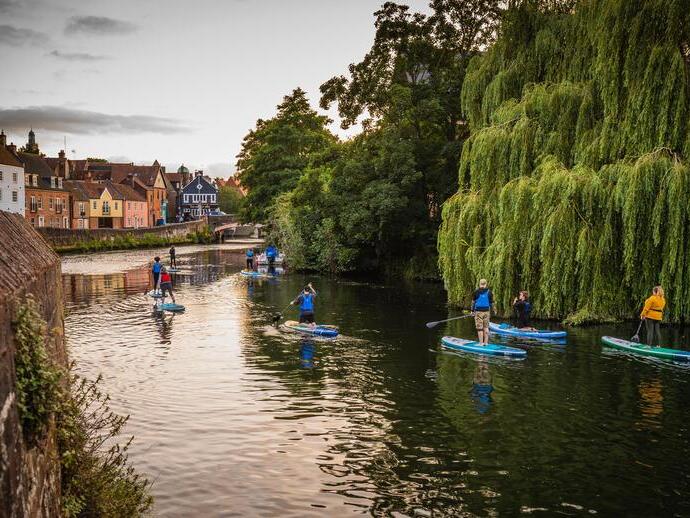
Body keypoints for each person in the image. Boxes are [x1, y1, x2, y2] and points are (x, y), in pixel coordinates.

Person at [471, 278, 494, 345]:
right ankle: (486, 343)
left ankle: (481, 343)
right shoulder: (489, 292)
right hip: (487, 311)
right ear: (486, 284)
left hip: (478, 312)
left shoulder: (476, 291)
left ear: (479, 284)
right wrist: (493, 311)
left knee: (479, 328)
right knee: (486, 327)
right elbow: (491, 303)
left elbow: (473, 302)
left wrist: (472, 311)